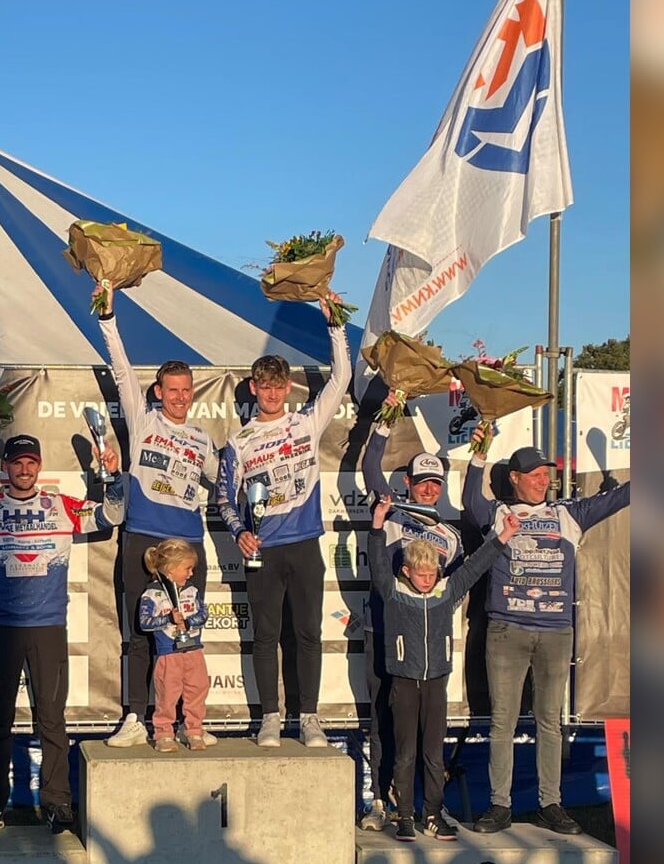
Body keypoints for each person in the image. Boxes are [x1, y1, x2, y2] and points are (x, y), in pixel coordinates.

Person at [0, 434, 123, 835]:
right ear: (5, 468)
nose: (24, 470)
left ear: (38, 467)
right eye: (17, 463)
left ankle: (58, 803)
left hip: (47, 628)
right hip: (1, 631)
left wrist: (113, 475)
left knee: (52, 720)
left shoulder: (60, 506)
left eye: (30, 463)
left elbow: (111, 515)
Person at [462, 439, 631, 834]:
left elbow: (621, 498)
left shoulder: (568, 513)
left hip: (555, 631)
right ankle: (499, 805)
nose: (543, 482)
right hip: (506, 629)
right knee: (502, 722)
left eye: (547, 476)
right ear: (515, 479)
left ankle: (550, 803)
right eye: (535, 476)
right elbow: (471, 497)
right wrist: (480, 452)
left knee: (550, 722)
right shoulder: (499, 512)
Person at [216, 301, 352, 747]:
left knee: (309, 633)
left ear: (288, 387)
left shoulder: (307, 422)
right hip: (264, 551)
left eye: (278, 386)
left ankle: (309, 717)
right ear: (254, 388)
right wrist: (239, 532)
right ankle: (270, 717)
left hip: (305, 544)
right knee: (266, 636)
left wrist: (335, 325)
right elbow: (223, 496)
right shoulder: (239, 440)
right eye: (265, 386)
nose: (272, 394)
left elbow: (342, 378)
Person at [94, 283, 220, 749]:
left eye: (186, 391)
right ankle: (135, 716)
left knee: (186, 636)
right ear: (158, 391)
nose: (180, 398)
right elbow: (121, 369)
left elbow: (225, 480)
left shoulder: (203, 439)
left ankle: (189, 723)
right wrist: (108, 317)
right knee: (141, 631)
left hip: (188, 544)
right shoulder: (144, 420)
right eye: (172, 390)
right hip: (143, 539)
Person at [365, 495, 519, 841]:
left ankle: (433, 812)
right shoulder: (392, 591)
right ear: (406, 571)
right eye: (420, 574)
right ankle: (404, 815)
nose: (426, 579)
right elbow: (377, 563)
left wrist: (504, 536)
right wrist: (377, 523)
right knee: (405, 753)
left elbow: (475, 566)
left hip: (436, 682)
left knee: (434, 754)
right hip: (403, 682)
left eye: (431, 573)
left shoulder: (446, 590)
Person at [357, 408, 465, 827]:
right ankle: (382, 802)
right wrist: (388, 413)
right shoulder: (392, 514)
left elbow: (452, 590)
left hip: (423, 646)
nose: (428, 490)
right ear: (408, 483)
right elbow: (369, 465)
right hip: (380, 629)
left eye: (435, 484)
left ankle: (429, 808)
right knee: (383, 719)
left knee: (425, 732)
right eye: (422, 483)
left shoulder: (450, 538)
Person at [136, 538, 211, 752]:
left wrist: (187, 621)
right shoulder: (152, 594)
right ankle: (164, 733)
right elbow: (144, 623)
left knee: (198, 690)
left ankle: (194, 731)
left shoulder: (192, 591)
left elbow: (203, 614)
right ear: (170, 568)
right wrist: (168, 620)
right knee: (167, 695)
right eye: (187, 569)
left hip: (194, 651)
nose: (191, 574)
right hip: (168, 654)